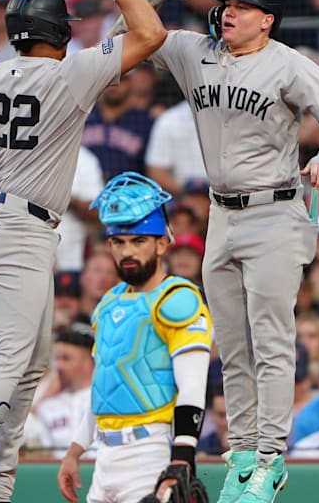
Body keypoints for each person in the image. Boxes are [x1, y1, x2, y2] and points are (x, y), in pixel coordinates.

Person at [0, 0, 170, 503]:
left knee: (31, 364)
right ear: (58, 34)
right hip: (21, 227)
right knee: (11, 356)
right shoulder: (68, 73)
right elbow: (147, 34)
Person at [117, 0, 319, 503]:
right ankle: (243, 456)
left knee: (271, 340)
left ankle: (271, 459)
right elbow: (121, 39)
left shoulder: (287, 63)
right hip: (220, 215)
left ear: (267, 20)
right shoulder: (193, 51)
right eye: (226, 3)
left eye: (243, 6)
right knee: (232, 344)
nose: (229, 11)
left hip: (274, 210)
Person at [57, 173, 212, 503]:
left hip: (151, 451)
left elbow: (194, 385)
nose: (127, 251)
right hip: (104, 456)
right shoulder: (109, 301)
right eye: (119, 241)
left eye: (139, 240)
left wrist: (182, 457)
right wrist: (75, 450)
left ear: (162, 243)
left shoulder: (178, 298)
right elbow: (105, 383)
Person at [28, 325, 94, 455]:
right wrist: (43, 400)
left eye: (66, 359)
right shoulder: (47, 406)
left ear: (87, 362)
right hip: (57, 472)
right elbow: (24, 435)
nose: (59, 366)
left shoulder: (105, 399)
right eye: (57, 359)